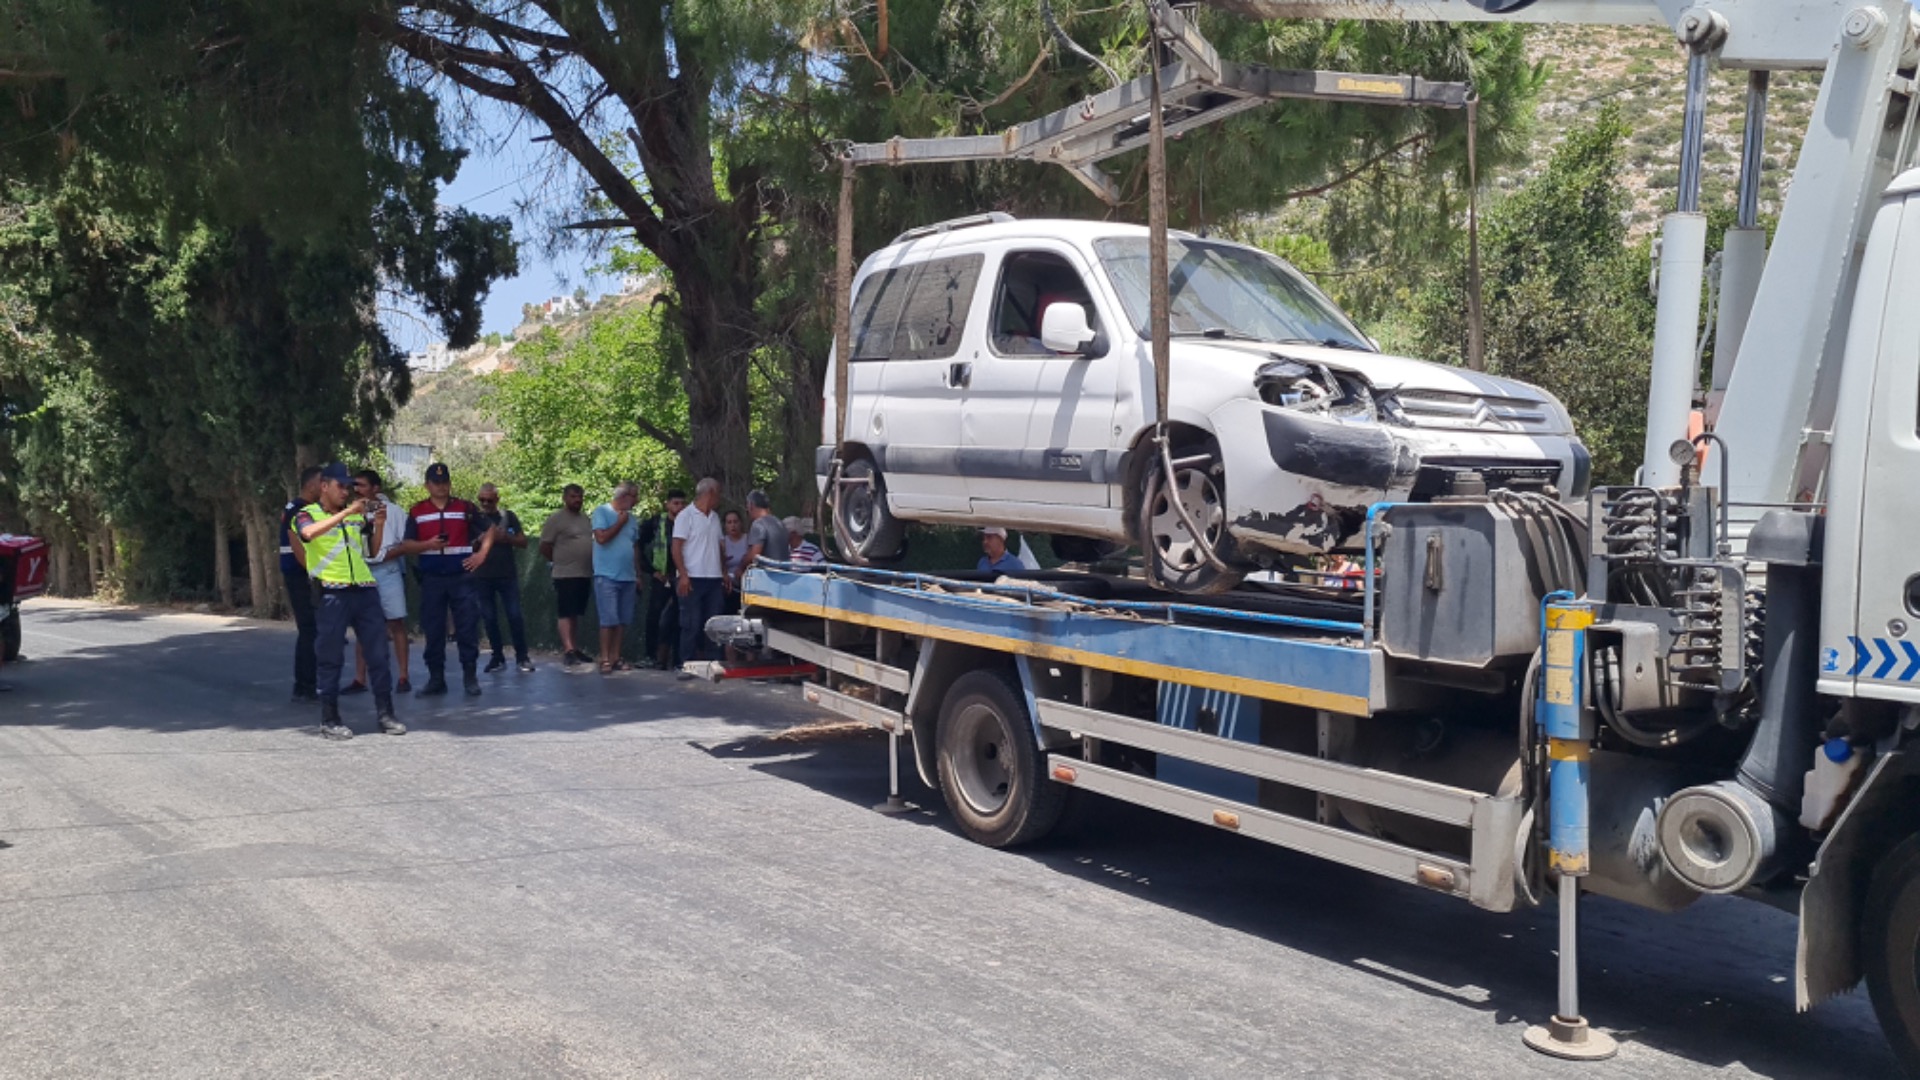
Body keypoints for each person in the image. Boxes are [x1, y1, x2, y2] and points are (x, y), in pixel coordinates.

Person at [295, 463, 403, 740]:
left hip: (365, 590)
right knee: (330, 657)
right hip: (332, 593)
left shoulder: (356, 519)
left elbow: (372, 551)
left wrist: (377, 526)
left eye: (349, 486)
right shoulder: (307, 514)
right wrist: (346, 513)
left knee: (378, 654)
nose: (347, 491)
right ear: (324, 487)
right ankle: (329, 719)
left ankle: (386, 714)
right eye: (341, 486)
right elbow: (308, 534)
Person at [399, 462, 495, 697]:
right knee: (433, 628)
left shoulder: (465, 507)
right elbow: (407, 544)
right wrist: (428, 545)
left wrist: (481, 555)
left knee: (467, 627)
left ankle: (470, 677)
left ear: (450, 483)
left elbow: (491, 528)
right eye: (436, 483)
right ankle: (436, 678)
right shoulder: (417, 511)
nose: (441, 487)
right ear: (427, 485)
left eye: (444, 482)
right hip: (431, 579)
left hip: (461, 577)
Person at [343, 469, 412, 694]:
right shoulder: (351, 512)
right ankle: (359, 679)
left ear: (376, 488)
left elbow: (406, 541)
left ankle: (403, 676)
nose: (357, 489)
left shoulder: (394, 512)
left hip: (387, 570)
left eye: (362, 485)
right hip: (362, 571)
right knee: (364, 626)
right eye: (355, 485)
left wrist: (389, 554)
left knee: (396, 622)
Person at [473, 482, 534, 674]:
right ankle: (497, 657)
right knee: (489, 618)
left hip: (507, 575)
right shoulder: (474, 520)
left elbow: (523, 541)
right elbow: (467, 545)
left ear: (497, 499)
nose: (485, 504)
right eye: (481, 500)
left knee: (514, 615)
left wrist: (506, 539)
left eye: (489, 500)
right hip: (482, 576)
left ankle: (522, 656)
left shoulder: (508, 517)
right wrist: (480, 540)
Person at [672, 477, 727, 670]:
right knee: (691, 623)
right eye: (718, 493)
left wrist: (724, 572)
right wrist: (683, 575)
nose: (719, 497)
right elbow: (676, 547)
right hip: (693, 577)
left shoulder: (715, 517)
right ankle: (685, 663)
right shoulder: (685, 516)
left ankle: (713, 662)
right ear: (710, 493)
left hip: (713, 577)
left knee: (713, 623)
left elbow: (720, 546)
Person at [539, 483, 595, 669]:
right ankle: (568, 649)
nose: (577, 500)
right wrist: (558, 561)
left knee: (575, 612)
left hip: (584, 573)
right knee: (565, 611)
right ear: (565, 498)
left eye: (580, 497)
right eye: (573, 496)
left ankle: (575, 647)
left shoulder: (586, 519)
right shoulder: (556, 519)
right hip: (565, 573)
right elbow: (544, 546)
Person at [590, 482, 644, 674]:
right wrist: (619, 523)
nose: (636, 500)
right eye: (634, 496)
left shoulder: (633, 519)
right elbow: (601, 538)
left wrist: (638, 573)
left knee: (622, 619)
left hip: (627, 576)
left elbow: (634, 546)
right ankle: (604, 657)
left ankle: (616, 656)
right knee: (608, 619)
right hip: (607, 575)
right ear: (623, 496)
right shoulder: (602, 512)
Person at [281, 466, 324, 703]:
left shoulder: (293, 507)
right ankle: (305, 685)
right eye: (322, 482)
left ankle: (305, 684)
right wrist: (313, 572)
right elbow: (297, 545)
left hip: (297, 573)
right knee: (309, 629)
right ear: (310, 485)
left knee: (309, 630)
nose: (325, 486)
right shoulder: (301, 511)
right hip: (300, 575)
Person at [637, 489, 685, 669]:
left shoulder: (689, 522)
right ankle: (651, 656)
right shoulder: (657, 522)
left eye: (682, 504)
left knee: (681, 618)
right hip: (662, 577)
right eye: (675, 503)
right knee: (654, 617)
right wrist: (650, 570)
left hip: (682, 577)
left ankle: (678, 659)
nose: (679, 507)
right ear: (667, 504)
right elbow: (638, 544)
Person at [741, 490, 789, 575]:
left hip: (768, 576)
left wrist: (741, 566)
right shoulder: (780, 523)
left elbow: (755, 555)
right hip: (784, 573)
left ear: (751, 505)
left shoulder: (758, 524)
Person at [720, 509, 749, 614]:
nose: (733, 525)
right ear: (725, 525)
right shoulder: (722, 542)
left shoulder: (748, 540)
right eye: (729, 522)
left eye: (735, 522)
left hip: (745, 582)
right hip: (728, 584)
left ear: (740, 523)